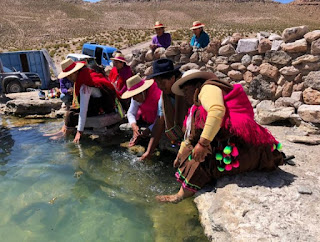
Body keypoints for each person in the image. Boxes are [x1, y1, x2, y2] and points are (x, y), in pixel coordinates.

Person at [156, 69, 286, 203]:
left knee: (202, 160)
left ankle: (180, 196)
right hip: (229, 140)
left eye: (186, 91)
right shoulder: (198, 103)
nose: (185, 96)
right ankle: (187, 187)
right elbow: (192, 135)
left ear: (195, 86)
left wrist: (203, 144)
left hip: (240, 144)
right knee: (191, 153)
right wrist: (183, 150)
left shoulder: (208, 89)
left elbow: (217, 111)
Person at [44, 58, 117, 143]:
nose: (69, 78)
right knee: (70, 110)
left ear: (75, 72)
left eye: (70, 75)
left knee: (71, 114)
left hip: (101, 107)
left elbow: (83, 110)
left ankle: (65, 135)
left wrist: (79, 131)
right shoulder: (85, 76)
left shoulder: (84, 86)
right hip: (96, 103)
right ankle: (62, 131)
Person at [139, 58, 188, 160]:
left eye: (163, 82)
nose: (160, 86)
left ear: (172, 78)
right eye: (157, 83)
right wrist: (149, 152)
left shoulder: (187, 88)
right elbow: (160, 122)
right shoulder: (164, 98)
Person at [121, 74, 161, 147]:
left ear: (143, 91)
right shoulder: (136, 97)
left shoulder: (158, 96)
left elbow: (160, 117)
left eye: (135, 96)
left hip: (160, 122)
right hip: (146, 119)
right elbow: (130, 113)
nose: (134, 99)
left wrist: (149, 129)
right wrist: (134, 126)